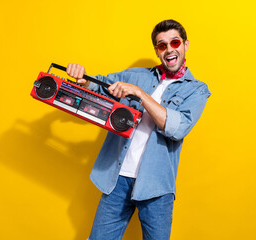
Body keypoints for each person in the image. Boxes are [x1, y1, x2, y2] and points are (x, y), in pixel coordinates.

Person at [66, 19, 211, 240]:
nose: (169, 50)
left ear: (185, 45)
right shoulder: (137, 76)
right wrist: (83, 79)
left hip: (156, 187)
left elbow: (177, 127)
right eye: (162, 45)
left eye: (175, 42)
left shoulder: (197, 90)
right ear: (157, 50)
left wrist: (140, 94)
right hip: (117, 179)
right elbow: (102, 86)